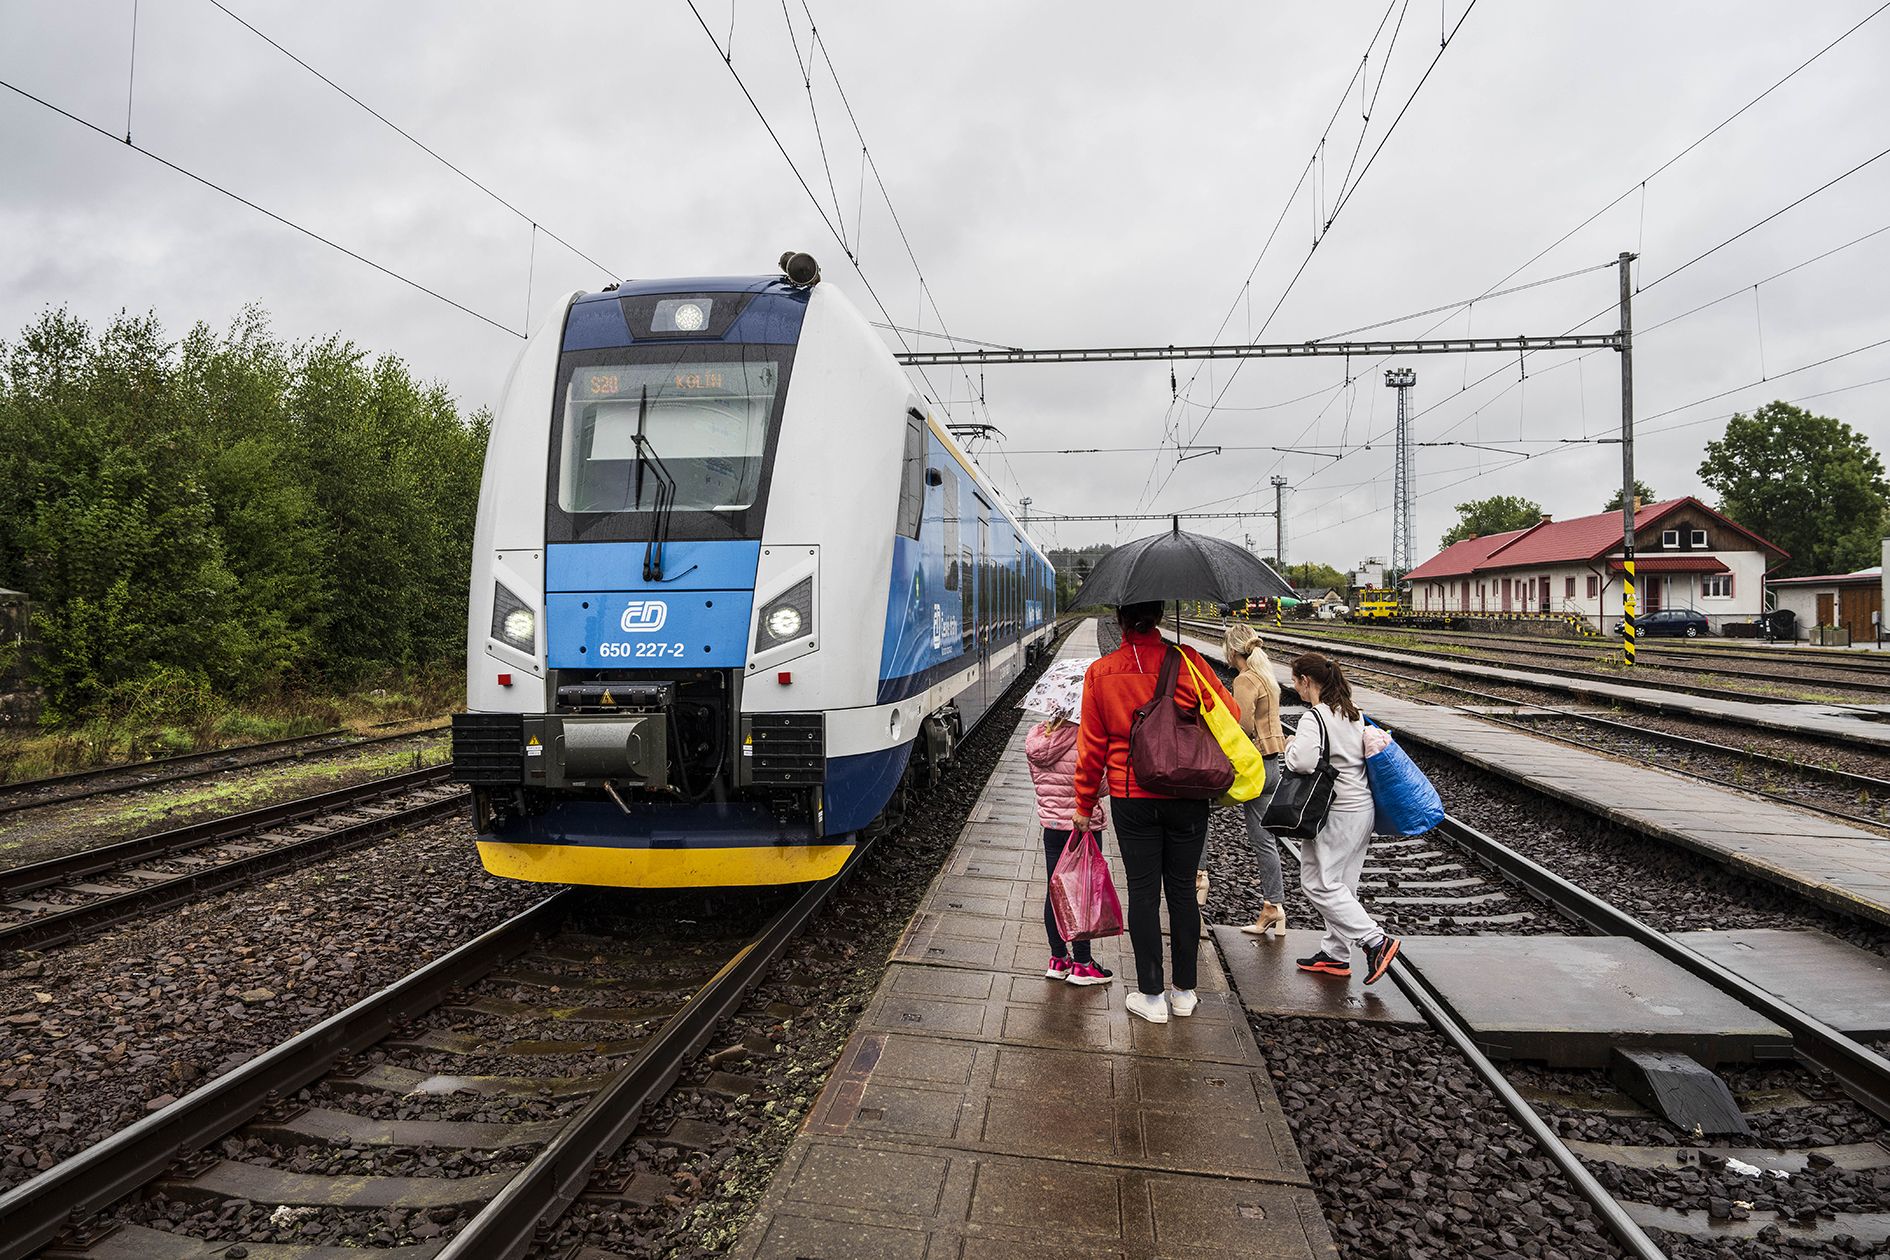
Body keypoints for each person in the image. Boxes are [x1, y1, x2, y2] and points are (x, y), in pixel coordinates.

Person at [1072, 601, 1240, 1024]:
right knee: (1182, 891)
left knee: (1143, 894)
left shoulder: (1101, 672)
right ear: (1161, 616)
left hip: (1133, 797)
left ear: (1121, 620)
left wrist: (1083, 804)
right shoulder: (1189, 661)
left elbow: (1090, 749)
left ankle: (1151, 997)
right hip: (1187, 794)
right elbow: (1232, 716)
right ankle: (1184, 992)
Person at [1284, 652, 1400, 984]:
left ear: (1306, 681)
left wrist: (1290, 745)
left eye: (1295, 681)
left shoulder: (1314, 717)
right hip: (1362, 808)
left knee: (1317, 883)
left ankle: (1376, 941)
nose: (1296, 688)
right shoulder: (1353, 713)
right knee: (1344, 885)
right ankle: (1336, 954)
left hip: (1333, 811)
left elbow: (1303, 763)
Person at [1026, 702, 1113, 986]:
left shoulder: (1037, 737)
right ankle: (1083, 965)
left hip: (1051, 827)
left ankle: (1058, 959)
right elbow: (1100, 786)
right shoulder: (1085, 739)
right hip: (1080, 827)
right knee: (1082, 895)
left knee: (1055, 891)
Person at [1219, 623, 1288, 937]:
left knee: (1199, 806)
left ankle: (1199, 877)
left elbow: (1242, 727)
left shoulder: (1245, 679)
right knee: (1264, 841)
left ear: (1233, 651)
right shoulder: (1267, 677)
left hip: (1254, 767)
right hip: (1274, 765)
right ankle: (1274, 906)